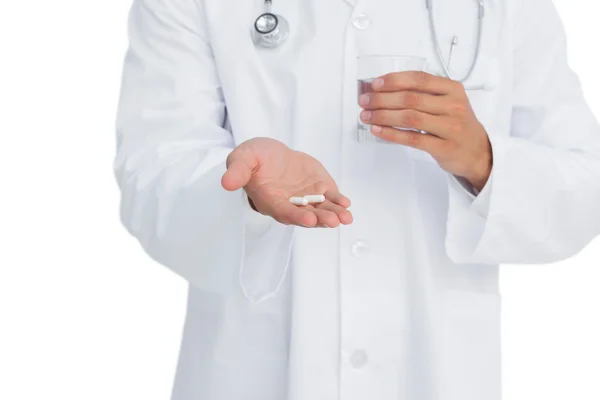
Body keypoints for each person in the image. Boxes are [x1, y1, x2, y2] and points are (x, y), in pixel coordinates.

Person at [113, 0, 600, 399]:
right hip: (253, 374)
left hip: (436, 374)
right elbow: (152, 173)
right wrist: (244, 192)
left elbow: (584, 190)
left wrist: (484, 159)